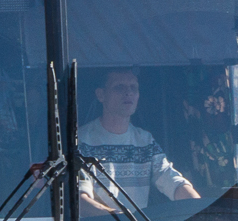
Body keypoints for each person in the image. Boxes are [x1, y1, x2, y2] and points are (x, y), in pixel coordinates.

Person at [78, 68, 200, 212]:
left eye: (133, 88)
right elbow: (80, 200)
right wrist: (119, 220)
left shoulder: (145, 141)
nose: (128, 93)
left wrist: (201, 210)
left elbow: (171, 180)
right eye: (119, 87)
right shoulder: (81, 141)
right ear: (101, 94)